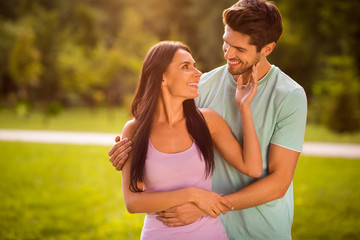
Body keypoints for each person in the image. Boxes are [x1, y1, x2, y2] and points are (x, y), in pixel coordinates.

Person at [108, 0, 307, 239]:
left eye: (240, 49)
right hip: (206, 227)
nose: (229, 54)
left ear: (267, 48)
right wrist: (130, 151)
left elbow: (279, 182)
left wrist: (205, 204)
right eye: (226, 43)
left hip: (260, 230)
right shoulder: (200, 86)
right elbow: (161, 142)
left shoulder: (289, 96)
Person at [116, 40, 262, 240]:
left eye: (194, 65)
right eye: (186, 67)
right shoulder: (135, 130)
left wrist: (244, 108)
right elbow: (133, 202)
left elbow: (252, 168)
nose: (198, 73)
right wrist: (192, 194)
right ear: (162, 77)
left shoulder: (207, 121)